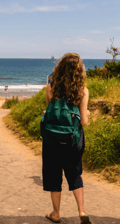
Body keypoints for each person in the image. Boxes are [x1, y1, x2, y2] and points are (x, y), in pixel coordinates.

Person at [43, 53, 91, 224]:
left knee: (53, 175)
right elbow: (84, 122)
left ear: (60, 67)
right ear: (79, 70)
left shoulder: (51, 87)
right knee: (75, 174)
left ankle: (56, 214)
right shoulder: (82, 90)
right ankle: (82, 212)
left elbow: (49, 112)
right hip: (73, 139)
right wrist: (88, 116)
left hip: (52, 139)